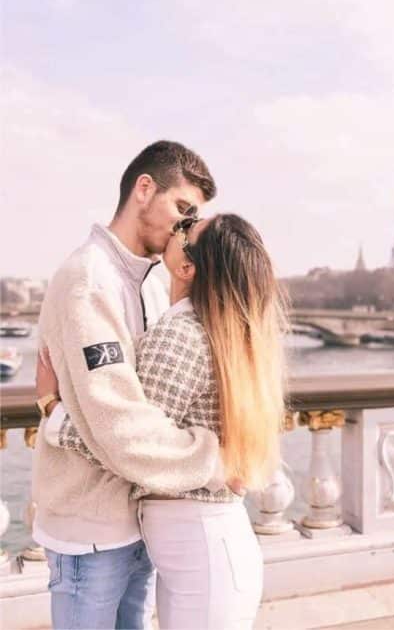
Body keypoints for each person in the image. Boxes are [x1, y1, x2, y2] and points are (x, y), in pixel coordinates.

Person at [38, 212, 287, 629]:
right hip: (210, 547)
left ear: (187, 267)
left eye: (188, 226)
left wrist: (52, 408)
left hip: (200, 550)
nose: (177, 224)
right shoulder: (220, 332)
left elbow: (128, 445)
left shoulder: (180, 334)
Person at [31, 140, 226, 629]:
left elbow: (152, 411)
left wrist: (54, 407)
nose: (186, 228)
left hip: (138, 522)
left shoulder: (158, 284)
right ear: (144, 189)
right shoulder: (88, 279)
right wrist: (217, 462)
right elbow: (120, 427)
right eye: (182, 210)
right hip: (91, 529)